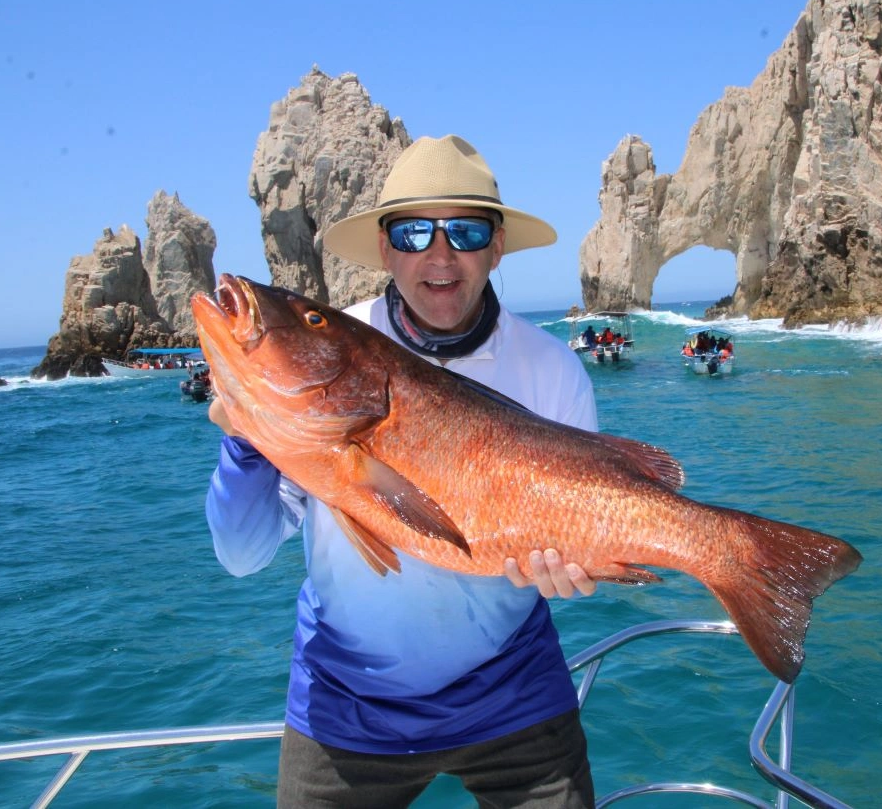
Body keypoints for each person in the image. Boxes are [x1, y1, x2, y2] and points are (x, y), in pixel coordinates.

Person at [205, 134, 599, 807]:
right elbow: (241, 555)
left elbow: (585, 520)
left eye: (466, 231)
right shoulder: (344, 349)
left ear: (496, 247)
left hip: (513, 688)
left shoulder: (553, 369)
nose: (439, 255)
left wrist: (574, 562)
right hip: (346, 700)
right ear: (386, 249)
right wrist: (249, 440)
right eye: (414, 232)